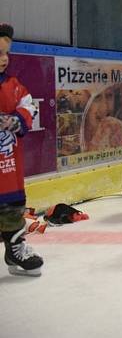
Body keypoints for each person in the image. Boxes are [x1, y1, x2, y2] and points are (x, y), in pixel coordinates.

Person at [0, 23, 43, 276]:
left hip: (8, 166)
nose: (4, 59)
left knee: (11, 208)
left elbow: (28, 106)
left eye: (6, 53)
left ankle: (15, 249)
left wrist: (16, 119)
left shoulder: (14, 86)